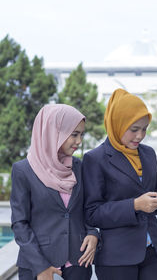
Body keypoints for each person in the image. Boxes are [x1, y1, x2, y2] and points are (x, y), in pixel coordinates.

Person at [82, 89, 157, 280]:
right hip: (117, 257)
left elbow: (153, 200)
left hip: (154, 252)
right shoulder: (95, 159)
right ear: (118, 124)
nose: (140, 136)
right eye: (134, 129)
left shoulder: (148, 154)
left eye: (144, 129)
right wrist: (134, 205)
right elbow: (92, 213)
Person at [10, 104, 99, 280]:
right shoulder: (23, 170)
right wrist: (40, 267)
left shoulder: (79, 167)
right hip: (39, 267)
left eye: (81, 134)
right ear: (53, 131)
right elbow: (20, 223)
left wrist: (93, 233)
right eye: (74, 134)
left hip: (78, 264)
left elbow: (88, 208)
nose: (79, 141)